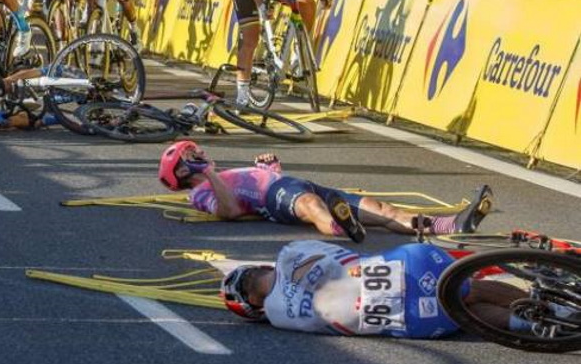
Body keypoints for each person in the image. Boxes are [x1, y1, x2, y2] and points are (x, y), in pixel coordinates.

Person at [157, 140, 493, 242]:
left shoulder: (222, 173)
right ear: (183, 172)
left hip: (285, 184)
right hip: (274, 199)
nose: (200, 153)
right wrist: (211, 175)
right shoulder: (198, 194)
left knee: (383, 210)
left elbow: (257, 181)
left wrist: (270, 168)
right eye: (192, 156)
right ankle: (339, 226)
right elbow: (229, 210)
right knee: (310, 204)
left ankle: (451, 225)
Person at [219, 236, 529, 338]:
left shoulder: (278, 318)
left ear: (253, 308)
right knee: (469, 287)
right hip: (405, 266)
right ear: (259, 267)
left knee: (465, 312)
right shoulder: (289, 252)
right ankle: (548, 306)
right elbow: (334, 254)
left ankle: (530, 323)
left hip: (410, 320)